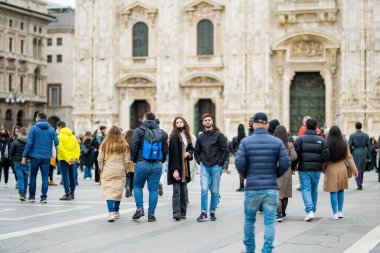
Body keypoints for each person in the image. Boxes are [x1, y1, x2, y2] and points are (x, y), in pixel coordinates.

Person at [235, 112, 291, 253]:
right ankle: (266, 250)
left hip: (252, 187)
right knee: (269, 223)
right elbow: (286, 162)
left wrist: (247, 175)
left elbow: (239, 162)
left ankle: (250, 250)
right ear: (266, 125)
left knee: (249, 221)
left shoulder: (245, 142)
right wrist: (275, 174)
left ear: (253, 124)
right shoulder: (277, 142)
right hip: (271, 188)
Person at [130, 112, 169, 222]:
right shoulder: (162, 133)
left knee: (137, 186)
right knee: (153, 190)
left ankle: (139, 208)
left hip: (141, 163)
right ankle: (151, 214)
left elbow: (133, 146)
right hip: (156, 164)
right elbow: (166, 149)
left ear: (144, 119)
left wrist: (134, 159)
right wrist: (161, 161)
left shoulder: (139, 130)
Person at [194, 114, 229, 222]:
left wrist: (220, 163)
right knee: (204, 189)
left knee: (214, 191)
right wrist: (199, 161)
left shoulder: (219, 135)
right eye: (205, 120)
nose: (208, 121)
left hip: (216, 167)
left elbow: (225, 151)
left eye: (209, 120)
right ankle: (204, 212)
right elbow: (196, 151)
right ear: (203, 123)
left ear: (212, 122)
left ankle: (212, 212)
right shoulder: (200, 137)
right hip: (204, 166)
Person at [294, 118, 330, 221]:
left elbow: (295, 156)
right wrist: (320, 162)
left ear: (306, 126)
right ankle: (312, 211)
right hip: (316, 169)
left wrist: (293, 167)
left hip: (304, 169)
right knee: (314, 190)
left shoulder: (300, 139)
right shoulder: (322, 140)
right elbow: (326, 156)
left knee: (306, 189)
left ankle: (309, 210)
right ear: (316, 127)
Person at [22, 113, 59, 203]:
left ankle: (32, 197)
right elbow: (57, 142)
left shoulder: (34, 128)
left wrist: (24, 156)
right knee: (45, 178)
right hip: (46, 157)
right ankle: (43, 197)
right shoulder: (51, 129)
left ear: (38, 118)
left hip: (34, 156)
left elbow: (29, 143)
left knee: (33, 177)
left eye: (36, 117)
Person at [323, 126, 358, 219]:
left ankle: (334, 213)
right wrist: (355, 171)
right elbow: (349, 158)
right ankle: (340, 211)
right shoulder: (344, 143)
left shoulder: (326, 142)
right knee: (341, 190)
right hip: (342, 168)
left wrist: (323, 168)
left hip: (330, 168)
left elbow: (324, 157)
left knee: (333, 191)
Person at [98, 126, 129, 222]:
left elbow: (100, 159)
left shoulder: (104, 144)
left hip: (108, 170)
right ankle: (116, 211)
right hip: (120, 170)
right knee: (118, 191)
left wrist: (102, 168)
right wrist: (126, 170)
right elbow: (126, 160)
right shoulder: (124, 144)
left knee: (108, 191)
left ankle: (111, 213)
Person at [168, 116, 194, 220]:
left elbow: (192, 148)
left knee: (184, 190)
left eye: (181, 122)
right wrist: (175, 170)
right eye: (177, 122)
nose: (179, 124)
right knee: (176, 190)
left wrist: (189, 153)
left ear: (184, 123)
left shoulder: (187, 136)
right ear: (175, 125)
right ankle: (176, 212)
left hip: (185, 167)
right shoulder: (174, 136)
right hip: (177, 166)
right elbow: (173, 154)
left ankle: (183, 212)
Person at [273, 125, 297, 222]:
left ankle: (278, 215)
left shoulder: (273, 144)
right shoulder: (289, 144)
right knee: (286, 194)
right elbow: (294, 156)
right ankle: (283, 212)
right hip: (287, 170)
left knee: (278, 195)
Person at [56, 121, 80, 201]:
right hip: (73, 159)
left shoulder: (59, 136)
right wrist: (75, 158)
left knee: (65, 176)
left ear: (59, 127)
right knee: (72, 176)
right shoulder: (73, 136)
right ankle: (72, 193)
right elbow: (77, 148)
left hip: (64, 159)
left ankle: (67, 194)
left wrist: (67, 159)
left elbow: (61, 149)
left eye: (57, 128)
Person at [348, 122, 371, 190]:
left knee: (357, 169)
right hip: (363, 152)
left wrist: (350, 153)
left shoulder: (352, 135)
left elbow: (349, 145)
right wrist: (369, 156)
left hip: (356, 152)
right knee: (361, 169)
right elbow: (369, 146)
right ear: (361, 127)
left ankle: (359, 184)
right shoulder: (366, 135)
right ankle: (360, 183)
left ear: (355, 127)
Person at [9, 128, 30, 201]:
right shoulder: (29, 141)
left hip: (17, 162)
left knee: (20, 178)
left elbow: (10, 152)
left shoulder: (15, 142)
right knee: (25, 177)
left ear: (20, 133)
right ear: (26, 134)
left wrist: (13, 158)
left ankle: (22, 194)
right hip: (27, 161)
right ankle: (24, 193)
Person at [230, 124, 246, 192]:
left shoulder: (235, 138)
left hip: (238, 155)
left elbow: (231, 147)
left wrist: (234, 153)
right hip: (245, 155)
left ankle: (241, 186)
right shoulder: (246, 138)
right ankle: (245, 186)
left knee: (240, 172)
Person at [124, 129, 135, 198]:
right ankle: (130, 190)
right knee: (132, 176)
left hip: (125, 160)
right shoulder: (134, 141)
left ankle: (127, 186)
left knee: (127, 176)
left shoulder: (124, 140)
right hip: (133, 160)